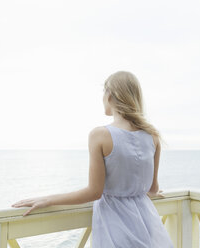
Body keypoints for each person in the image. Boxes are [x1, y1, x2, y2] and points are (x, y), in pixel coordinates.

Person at [11, 71, 174, 247]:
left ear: (110, 94)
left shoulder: (100, 135)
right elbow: (152, 188)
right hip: (147, 225)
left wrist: (48, 199)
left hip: (115, 228)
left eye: (104, 92)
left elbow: (94, 192)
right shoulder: (152, 136)